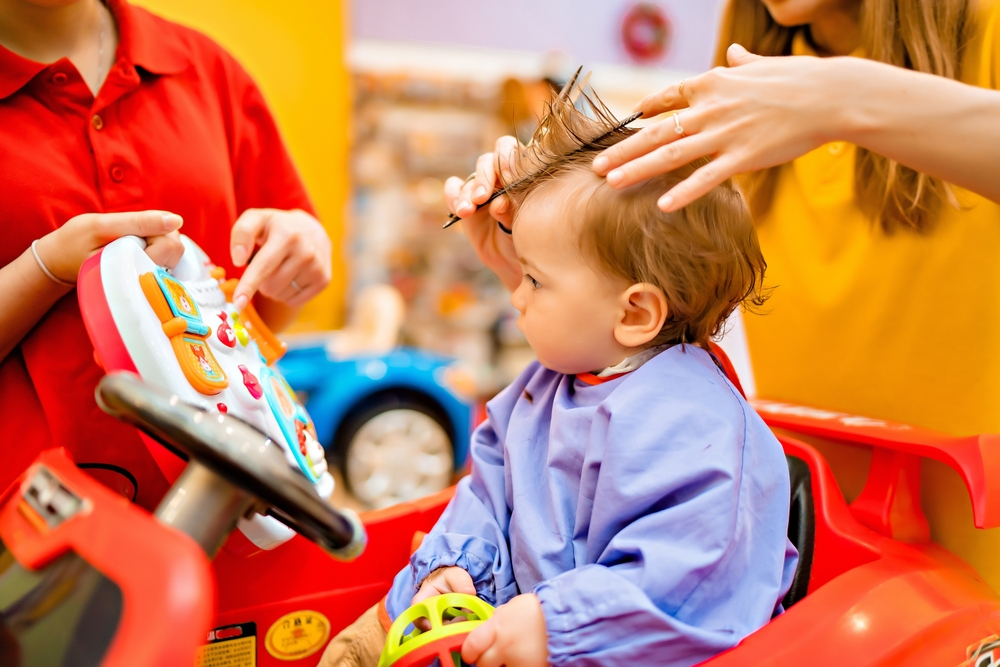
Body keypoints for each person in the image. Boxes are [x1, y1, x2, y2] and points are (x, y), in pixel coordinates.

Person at [452, 0, 1000, 590]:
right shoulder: (749, 72)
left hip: (971, 531)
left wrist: (846, 100)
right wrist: (534, 263)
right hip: (789, 534)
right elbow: (646, 303)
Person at [320, 90, 796, 667]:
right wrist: (456, 567)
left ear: (634, 313)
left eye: (536, 281)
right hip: (502, 620)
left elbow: (689, 583)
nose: (515, 296)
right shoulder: (551, 381)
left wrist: (558, 626)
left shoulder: (701, 432)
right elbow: (488, 491)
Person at [0, 0, 331, 509]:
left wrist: (297, 257)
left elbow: (257, 315)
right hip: (29, 537)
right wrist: (44, 268)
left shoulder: (206, 70)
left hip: (226, 509)